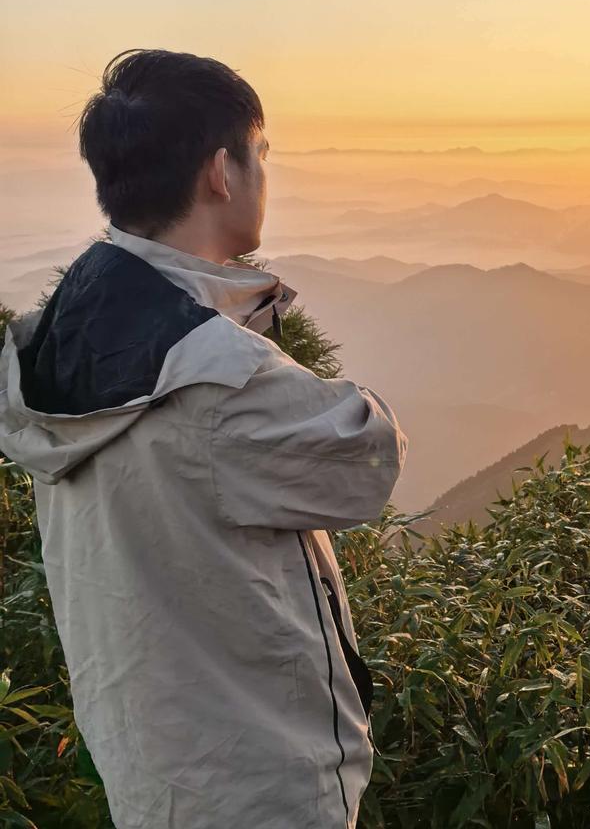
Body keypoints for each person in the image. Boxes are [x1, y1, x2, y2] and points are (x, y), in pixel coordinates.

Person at [0, 49, 407, 828]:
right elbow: (367, 462)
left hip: (155, 769)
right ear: (221, 172)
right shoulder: (216, 375)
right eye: (260, 155)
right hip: (256, 779)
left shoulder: (56, 338)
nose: (263, 174)